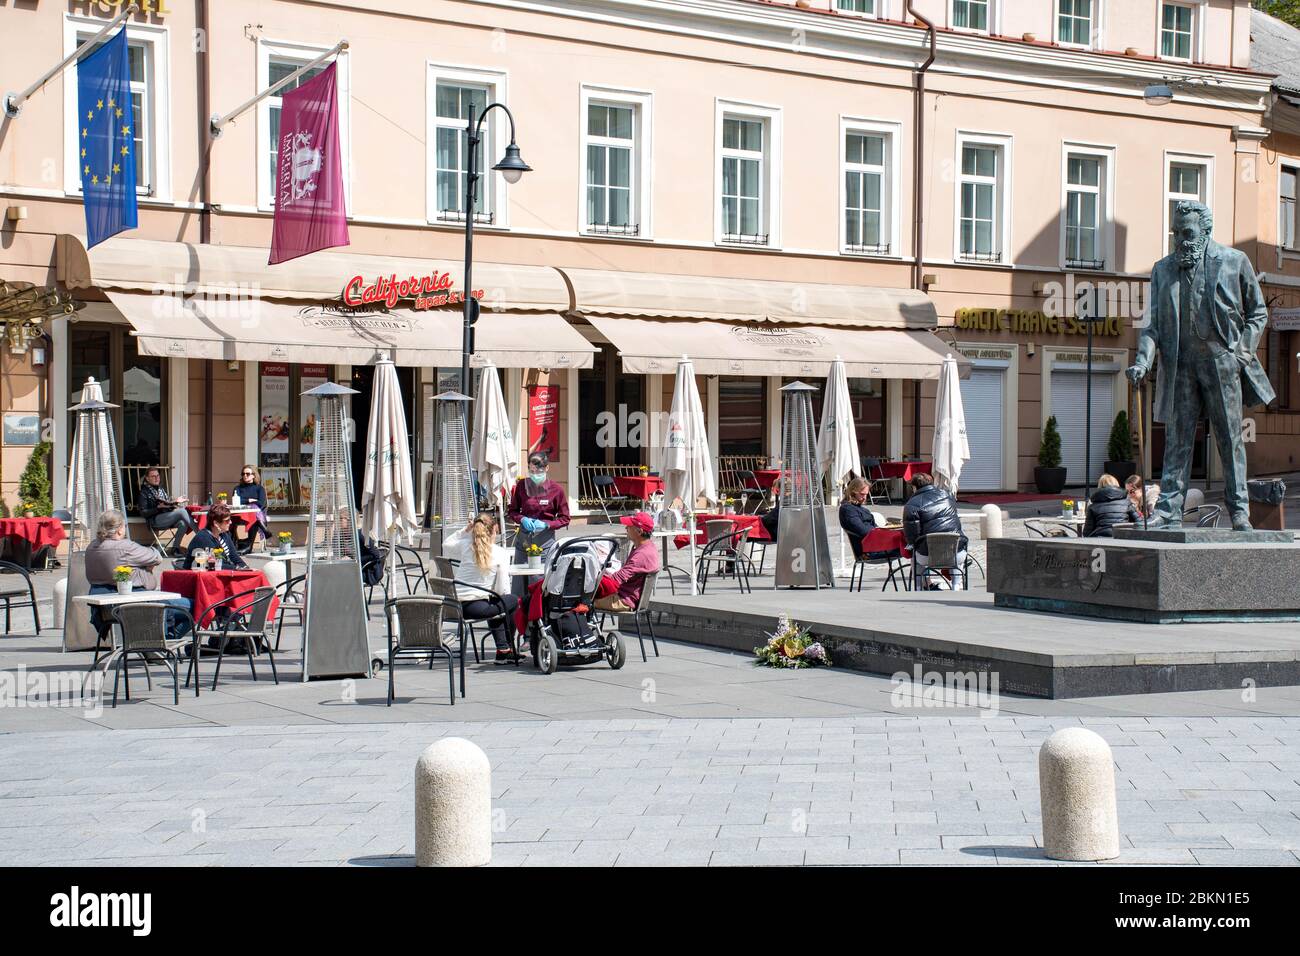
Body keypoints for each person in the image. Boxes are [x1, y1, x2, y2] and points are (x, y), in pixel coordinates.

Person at [1125, 200, 1272, 531]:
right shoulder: (1163, 270)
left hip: (1222, 362)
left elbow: (1258, 312)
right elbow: (1154, 327)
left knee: (1229, 438)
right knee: (1177, 438)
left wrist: (1241, 355)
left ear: (1206, 232)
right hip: (1181, 366)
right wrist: (1143, 361)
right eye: (1176, 233)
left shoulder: (1235, 262)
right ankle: (1169, 509)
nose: (1181, 240)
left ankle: (1238, 510)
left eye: (1188, 233)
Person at [84, 509, 192, 637]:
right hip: (139, 605)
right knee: (197, 607)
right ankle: (165, 640)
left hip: (105, 610)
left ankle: (162, 641)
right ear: (119, 529)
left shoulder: (91, 547)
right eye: (124, 526)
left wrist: (140, 567)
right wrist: (146, 567)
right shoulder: (125, 547)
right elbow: (157, 557)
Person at [443, 513, 521, 665]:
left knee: (495, 603)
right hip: (477, 608)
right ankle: (506, 649)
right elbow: (503, 587)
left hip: (454, 606)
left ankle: (503, 650)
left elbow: (446, 544)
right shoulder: (500, 553)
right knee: (511, 600)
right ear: (494, 531)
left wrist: (466, 529)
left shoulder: (465, 546)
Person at [507, 451, 570, 598]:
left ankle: (539, 617)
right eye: (531, 471)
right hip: (523, 542)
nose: (534, 474)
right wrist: (522, 519)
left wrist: (547, 524)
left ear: (547, 468)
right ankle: (518, 618)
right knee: (519, 585)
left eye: (538, 471)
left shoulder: (557, 490)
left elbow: (565, 518)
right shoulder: (522, 486)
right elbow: (512, 511)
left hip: (545, 544)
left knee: (539, 585)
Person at [902, 473, 968, 586]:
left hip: (927, 557)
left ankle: (920, 586)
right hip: (956, 554)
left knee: (915, 554)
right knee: (954, 545)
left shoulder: (911, 505)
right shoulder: (948, 496)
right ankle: (956, 585)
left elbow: (912, 537)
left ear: (914, 487)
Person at [594, 511, 662, 613]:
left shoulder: (642, 555)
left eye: (629, 526)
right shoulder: (648, 547)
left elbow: (616, 580)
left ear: (639, 531)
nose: (626, 529)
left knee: (581, 600)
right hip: (630, 596)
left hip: (624, 600)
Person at [138, 466, 196, 553]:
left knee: (183, 523)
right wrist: (157, 508)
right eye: (153, 476)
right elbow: (143, 513)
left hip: (166, 517)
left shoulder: (161, 489)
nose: (156, 478)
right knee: (182, 511)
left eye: (157, 476)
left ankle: (175, 548)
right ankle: (200, 533)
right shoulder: (144, 493)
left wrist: (176, 502)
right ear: (147, 478)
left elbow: (167, 504)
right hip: (154, 520)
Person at [183, 503, 248, 571]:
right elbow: (215, 565)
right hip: (196, 576)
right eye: (227, 521)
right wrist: (237, 569)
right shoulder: (203, 538)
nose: (231, 522)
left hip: (215, 573)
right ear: (216, 523)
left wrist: (246, 568)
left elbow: (234, 557)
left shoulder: (224, 534)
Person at [230, 464, 269, 552]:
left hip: (253, 515)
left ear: (253, 475)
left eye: (247, 474)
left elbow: (261, 503)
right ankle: (233, 544)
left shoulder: (259, 488)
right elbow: (236, 501)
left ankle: (249, 546)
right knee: (227, 519)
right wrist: (250, 500)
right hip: (239, 515)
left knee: (254, 517)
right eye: (243, 474)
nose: (245, 476)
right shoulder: (238, 488)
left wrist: (246, 501)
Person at [838, 477, 879, 559]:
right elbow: (862, 530)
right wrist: (881, 533)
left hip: (875, 545)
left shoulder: (862, 509)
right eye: (862, 494)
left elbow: (874, 528)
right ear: (853, 492)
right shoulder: (847, 509)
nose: (864, 498)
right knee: (905, 548)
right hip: (867, 551)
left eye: (866, 494)